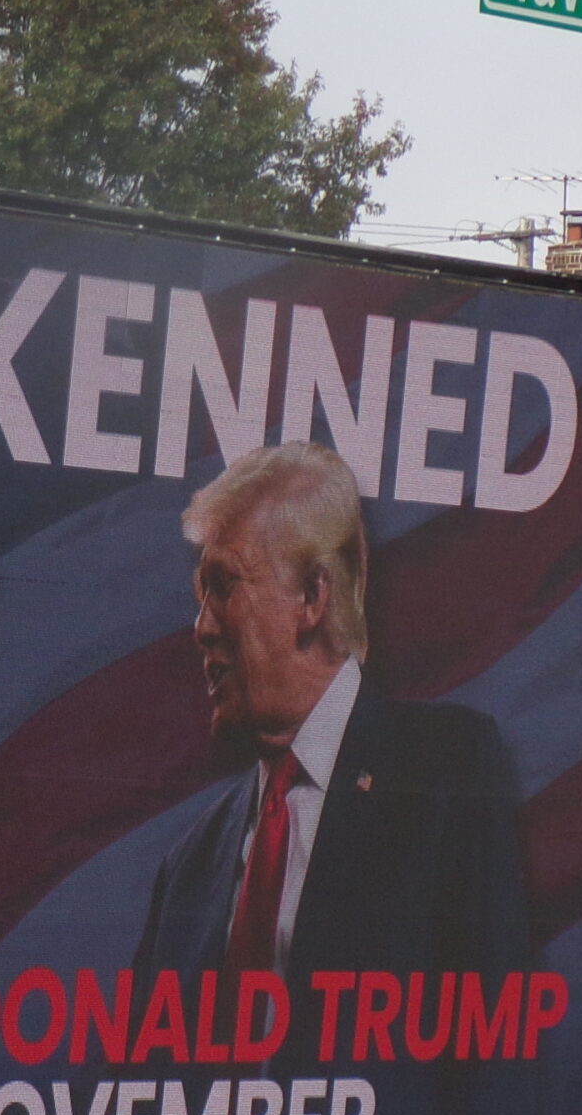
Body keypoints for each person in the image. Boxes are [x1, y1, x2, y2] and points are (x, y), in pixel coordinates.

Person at [133, 443, 529, 1061]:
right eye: (199, 594)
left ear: (313, 598)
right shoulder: (190, 864)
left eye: (223, 586)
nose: (202, 626)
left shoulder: (448, 774)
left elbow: (493, 1055)